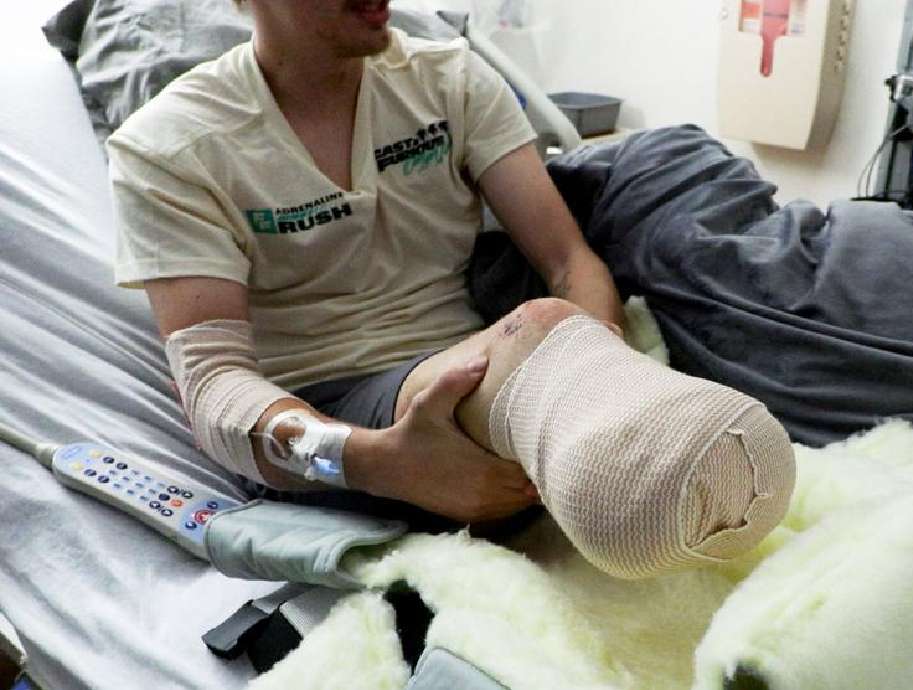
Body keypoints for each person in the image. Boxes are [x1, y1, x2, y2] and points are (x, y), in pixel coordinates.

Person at [109, 0, 794, 577]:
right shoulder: (170, 147)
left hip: (471, 374)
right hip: (330, 417)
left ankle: (623, 459)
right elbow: (212, 384)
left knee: (553, 333)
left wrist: (595, 361)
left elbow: (568, 261)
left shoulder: (447, 80)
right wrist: (374, 462)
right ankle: (630, 486)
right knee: (542, 341)